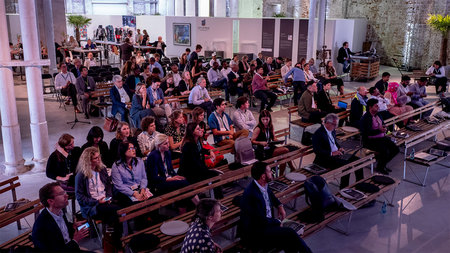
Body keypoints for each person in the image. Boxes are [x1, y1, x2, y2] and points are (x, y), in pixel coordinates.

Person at [240, 162, 312, 253]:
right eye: (270, 171)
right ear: (263, 176)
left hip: (266, 224)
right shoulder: (252, 195)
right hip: (258, 232)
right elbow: (260, 221)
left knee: (289, 240)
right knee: (290, 233)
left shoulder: (262, 184)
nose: (272, 173)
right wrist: (277, 222)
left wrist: (279, 205)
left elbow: (270, 194)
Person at [75, 147, 122, 245]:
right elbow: (80, 197)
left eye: (99, 156)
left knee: (113, 212)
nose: (99, 159)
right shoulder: (80, 176)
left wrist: (109, 197)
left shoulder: (102, 169)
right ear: (88, 161)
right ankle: (114, 240)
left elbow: (108, 186)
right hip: (92, 206)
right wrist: (97, 202)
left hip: (105, 201)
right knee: (116, 211)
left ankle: (110, 239)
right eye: (95, 158)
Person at [32, 182, 89, 252]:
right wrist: (75, 240)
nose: (66, 195)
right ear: (50, 201)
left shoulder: (59, 212)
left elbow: (61, 232)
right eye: (61, 194)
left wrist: (72, 226)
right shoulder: (42, 226)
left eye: (64, 192)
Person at [312, 113, 362, 188]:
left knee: (358, 161)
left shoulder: (332, 130)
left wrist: (339, 148)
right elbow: (317, 151)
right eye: (334, 124)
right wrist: (332, 153)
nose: (336, 127)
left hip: (336, 155)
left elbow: (334, 142)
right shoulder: (318, 133)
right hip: (325, 159)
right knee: (347, 165)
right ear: (327, 123)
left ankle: (360, 184)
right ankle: (344, 188)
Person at [360, 99, 399, 174]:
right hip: (371, 141)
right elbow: (367, 133)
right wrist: (379, 130)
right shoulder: (366, 118)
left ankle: (382, 164)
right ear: (370, 107)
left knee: (395, 149)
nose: (378, 107)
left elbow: (382, 124)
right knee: (385, 151)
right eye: (376, 106)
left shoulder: (378, 115)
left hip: (381, 138)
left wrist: (385, 128)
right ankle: (380, 167)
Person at [111, 141, 152, 207]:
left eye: (134, 148)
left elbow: (144, 178)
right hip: (125, 191)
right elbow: (119, 185)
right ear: (123, 151)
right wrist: (133, 193)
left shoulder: (139, 161)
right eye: (130, 148)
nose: (133, 150)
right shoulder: (116, 166)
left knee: (151, 199)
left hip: (139, 188)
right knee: (136, 204)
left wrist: (143, 189)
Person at [252, 110, 292, 175]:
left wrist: (278, 141)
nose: (265, 121)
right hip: (262, 151)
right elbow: (252, 141)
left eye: (267, 119)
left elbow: (273, 138)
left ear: (270, 119)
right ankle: (291, 168)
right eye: (263, 119)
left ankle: (281, 175)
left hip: (270, 148)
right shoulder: (258, 128)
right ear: (260, 119)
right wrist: (260, 143)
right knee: (286, 150)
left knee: (284, 157)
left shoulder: (270, 126)